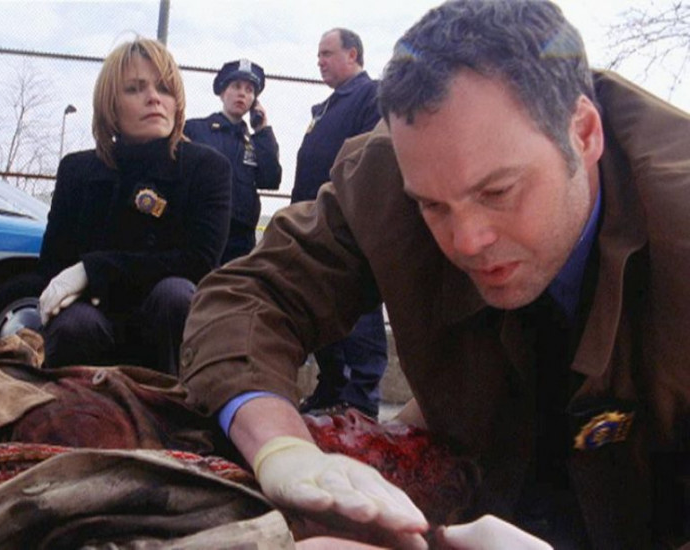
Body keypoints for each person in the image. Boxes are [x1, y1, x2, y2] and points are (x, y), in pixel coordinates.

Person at [181, 1, 690, 549]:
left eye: (497, 191)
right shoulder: (391, 173)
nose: (466, 241)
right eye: (431, 205)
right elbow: (252, 294)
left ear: (584, 134)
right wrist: (281, 446)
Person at [38, 38, 231, 375]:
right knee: (74, 323)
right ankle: (72, 404)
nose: (154, 98)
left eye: (164, 89)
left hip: (165, 328)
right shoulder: (77, 170)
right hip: (95, 320)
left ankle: (177, 403)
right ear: (110, 105)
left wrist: (93, 271)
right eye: (134, 88)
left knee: (176, 295)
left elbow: (198, 262)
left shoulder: (206, 168)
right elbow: (55, 262)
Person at [292, 27, 388, 419]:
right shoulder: (328, 106)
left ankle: (360, 399)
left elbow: (370, 157)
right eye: (318, 54)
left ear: (353, 54)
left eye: (327, 53)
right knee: (317, 305)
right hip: (313, 221)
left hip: (348, 222)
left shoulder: (371, 95)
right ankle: (332, 385)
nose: (320, 61)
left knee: (358, 307)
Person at [185, 59, 282, 264]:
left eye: (249, 90)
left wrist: (262, 130)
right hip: (200, 231)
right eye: (236, 86)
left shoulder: (256, 141)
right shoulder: (195, 130)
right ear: (222, 93)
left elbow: (270, 179)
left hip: (240, 240)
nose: (242, 94)